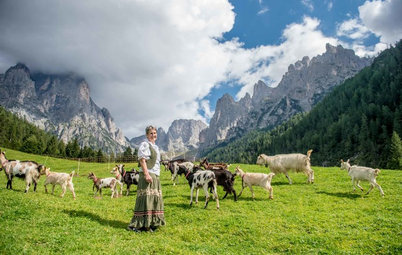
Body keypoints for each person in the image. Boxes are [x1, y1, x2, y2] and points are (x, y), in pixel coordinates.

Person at [127, 125, 165, 232]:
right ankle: (136, 225)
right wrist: (147, 174)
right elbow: (142, 160)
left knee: (153, 199)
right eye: (151, 133)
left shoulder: (155, 147)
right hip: (148, 174)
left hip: (155, 175)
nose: (153, 135)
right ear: (147, 135)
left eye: (154, 133)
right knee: (145, 199)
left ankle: (150, 223)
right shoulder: (145, 144)